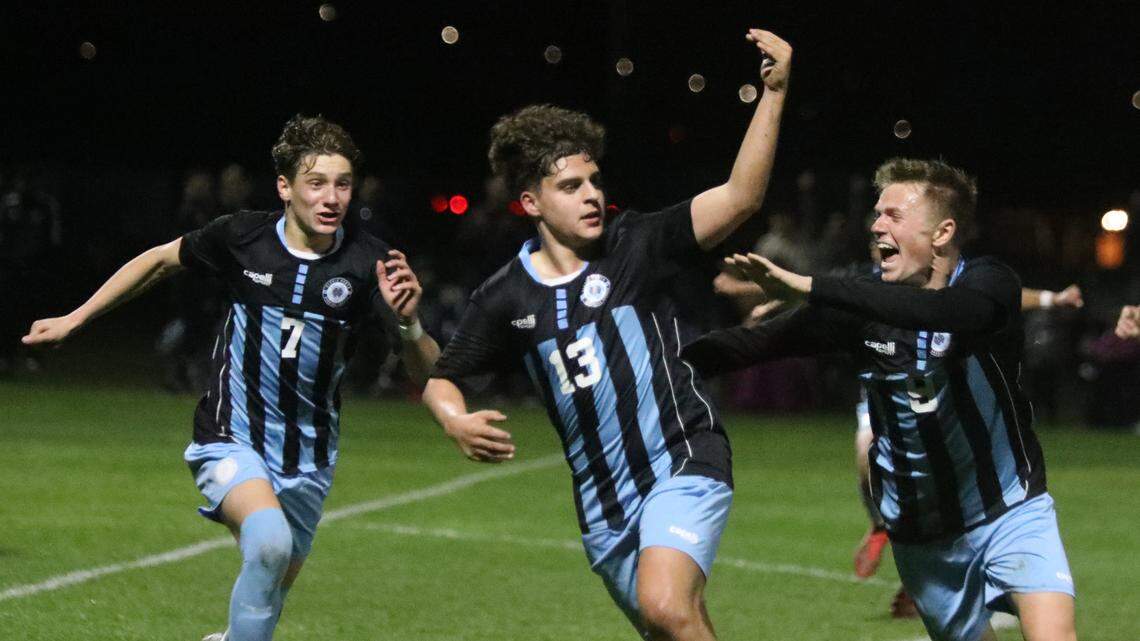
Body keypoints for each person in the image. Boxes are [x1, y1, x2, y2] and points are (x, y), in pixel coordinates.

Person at [423, 28, 791, 641]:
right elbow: (444, 378)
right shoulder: (506, 296)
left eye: (594, 180)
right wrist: (453, 420)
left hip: (682, 458)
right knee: (674, 624)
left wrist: (773, 95)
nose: (592, 195)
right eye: (571, 187)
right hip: (604, 506)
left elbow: (741, 197)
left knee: (666, 606)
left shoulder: (636, 243)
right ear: (531, 203)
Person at [22, 115, 440, 641]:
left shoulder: (369, 261)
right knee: (269, 544)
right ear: (285, 187)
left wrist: (409, 324)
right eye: (316, 183)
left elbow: (428, 371)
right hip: (230, 434)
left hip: (309, 458)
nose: (331, 198)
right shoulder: (243, 237)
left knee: (269, 588)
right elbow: (159, 261)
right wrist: (76, 317)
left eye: (342, 184)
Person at [683, 158, 1077, 641]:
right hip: (921, 533)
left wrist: (811, 286)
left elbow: (955, 312)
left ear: (942, 232)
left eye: (893, 215)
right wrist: (658, 360)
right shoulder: (861, 306)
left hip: (1009, 508)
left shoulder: (987, 283)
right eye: (876, 214)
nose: (876, 225)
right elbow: (750, 345)